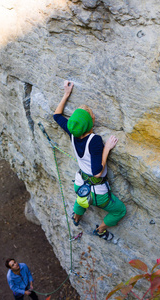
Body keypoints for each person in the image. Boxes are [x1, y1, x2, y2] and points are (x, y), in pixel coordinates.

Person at [53, 80, 126, 241]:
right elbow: (97, 172)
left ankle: (76, 217)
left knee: (81, 199)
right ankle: (100, 230)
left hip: (80, 183)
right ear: (89, 123)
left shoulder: (72, 131)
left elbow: (56, 115)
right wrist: (106, 149)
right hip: (98, 193)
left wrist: (66, 94)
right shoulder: (94, 140)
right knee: (120, 210)